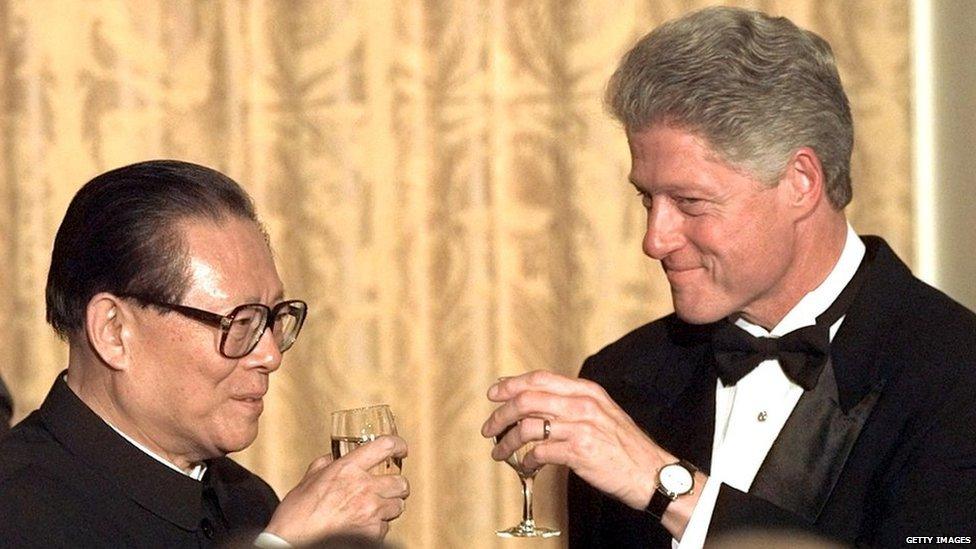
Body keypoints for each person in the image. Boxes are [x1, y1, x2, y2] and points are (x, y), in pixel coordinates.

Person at [481, 6, 976, 547]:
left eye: (690, 201)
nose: (654, 240)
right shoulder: (622, 378)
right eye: (648, 199)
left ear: (801, 182)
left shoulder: (956, 374)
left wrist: (666, 487)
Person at [0, 160, 409, 547]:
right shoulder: (18, 510)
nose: (270, 355)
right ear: (113, 331)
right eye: (239, 322)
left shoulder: (248, 500)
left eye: (273, 318)